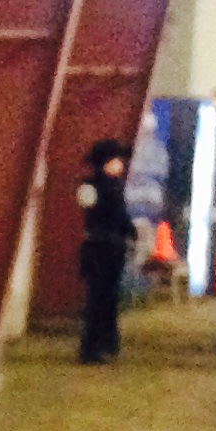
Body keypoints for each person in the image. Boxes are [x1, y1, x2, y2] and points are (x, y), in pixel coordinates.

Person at [75, 136, 134, 361]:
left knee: (106, 298)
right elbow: (112, 216)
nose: (120, 163)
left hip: (107, 249)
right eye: (117, 159)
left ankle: (105, 342)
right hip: (102, 249)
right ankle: (93, 347)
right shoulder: (94, 187)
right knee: (99, 299)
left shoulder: (103, 187)